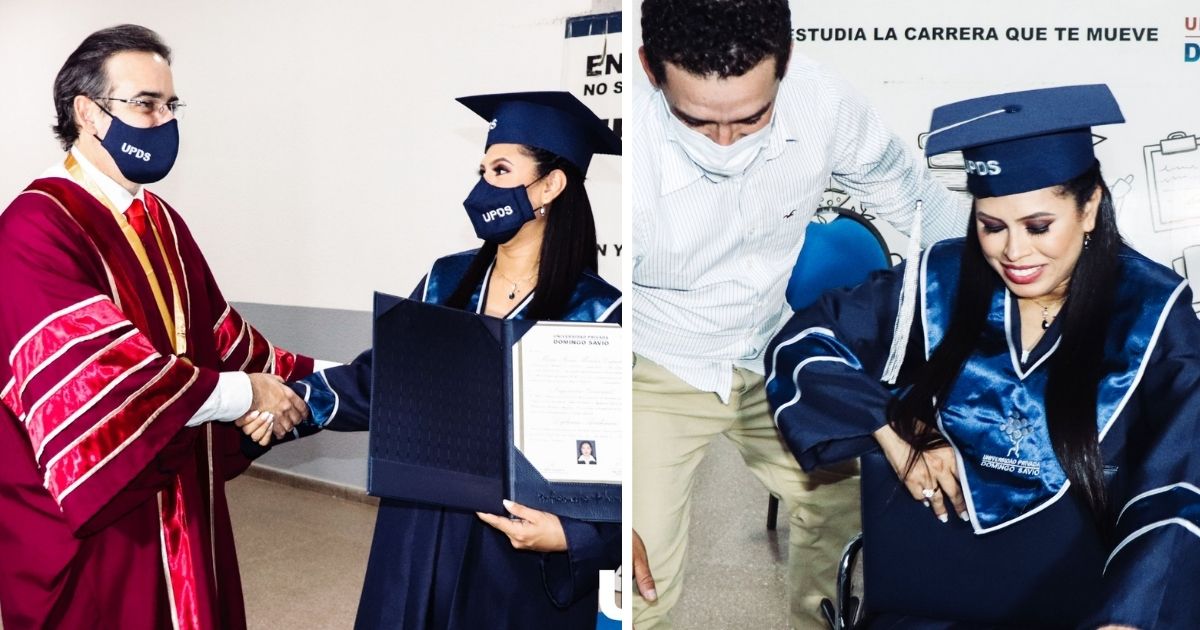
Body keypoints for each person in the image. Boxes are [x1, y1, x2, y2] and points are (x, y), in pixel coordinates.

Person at [766, 84, 1200, 629]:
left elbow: (1183, 480)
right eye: (991, 226)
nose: (1014, 253)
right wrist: (886, 421)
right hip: (933, 596)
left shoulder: (1154, 314)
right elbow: (805, 342)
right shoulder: (940, 281)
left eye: (1039, 226)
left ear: (1090, 208)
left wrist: (1132, 615)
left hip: (1094, 605)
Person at [630, 0, 969, 626]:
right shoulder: (623, 154)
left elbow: (916, 202)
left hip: (769, 348)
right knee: (640, 572)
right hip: (653, 360)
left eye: (752, 117)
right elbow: (573, 317)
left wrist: (1011, 265)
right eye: (698, 121)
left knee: (845, 503)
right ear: (652, 70)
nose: (726, 144)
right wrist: (595, 503)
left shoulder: (822, 102)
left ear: (784, 65)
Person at [241, 91, 622, 628]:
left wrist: (571, 536)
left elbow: (623, 460)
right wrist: (294, 399)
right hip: (419, 529)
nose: (481, 187)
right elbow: (383, 382)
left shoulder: (601, 312)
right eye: (482, 169)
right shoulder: (446, 279)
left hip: (518, 546)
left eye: (500, 169)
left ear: (551, 186)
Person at [0, 25, 316, 629]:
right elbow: (100, 382)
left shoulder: (158, 219)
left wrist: (330, 381)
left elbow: (223, 339)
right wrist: (245, 393)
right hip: (96, 514)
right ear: (88, 113)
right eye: (145, 104)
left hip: (178, 496)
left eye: (171, 105)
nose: (164, 120)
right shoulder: (35, 226)